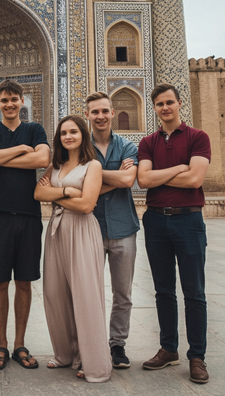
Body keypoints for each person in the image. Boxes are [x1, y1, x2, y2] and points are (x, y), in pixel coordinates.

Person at [137, 83, 211, 384]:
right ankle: (169, 349)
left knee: (194, 292)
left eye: (170, 103)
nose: (165, 108)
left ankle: (197, 356)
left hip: (188, 221)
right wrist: (178, 168)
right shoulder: (147, 142)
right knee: (163, 291)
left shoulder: (198, 137)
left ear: (180, 104)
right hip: (155, 221)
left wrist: (161, 176)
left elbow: (195, 179)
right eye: (159, 104)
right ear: (153, 108)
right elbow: (142, 180)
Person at [0, 79, 50, 370]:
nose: (9, 104)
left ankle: (19, 343)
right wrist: (22, 150)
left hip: (29, 215)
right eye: (4, 100)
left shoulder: (35, 129)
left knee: (24, 281)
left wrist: (0, 158)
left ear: (22, 101)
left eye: (14, 99)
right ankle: (1, 344)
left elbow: (43, 158)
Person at [34, 114, 112, 382]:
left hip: (81, 231)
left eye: (73, 132)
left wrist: (56, 196)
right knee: (56, 294)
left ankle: (93, 362)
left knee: (85, 295)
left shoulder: (93, 166)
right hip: (56, 233)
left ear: (82, 135)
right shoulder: (55, 165)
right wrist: (68, 193)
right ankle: (66, 353)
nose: (68, 136)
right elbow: (38, 194)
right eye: (64, 133)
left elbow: (87, 205)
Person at [84, 92, 140, 368]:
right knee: (89, 292)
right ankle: (90, 345)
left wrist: (91, 174)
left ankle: (117, 345)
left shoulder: (128, 146)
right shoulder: (80, 148)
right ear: (88, 116)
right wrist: (114, 176)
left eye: (105, 111)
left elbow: (129, 180)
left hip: (123, 228)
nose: (101, 116)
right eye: (95, 112)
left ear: (113, 112)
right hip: (89, 228)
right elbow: (77, 178)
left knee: (123, 294)